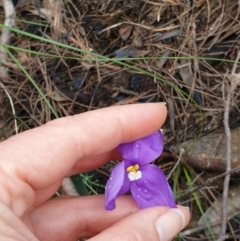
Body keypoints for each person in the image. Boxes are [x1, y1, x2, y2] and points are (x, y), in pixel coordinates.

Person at [0, 103, 190, 241]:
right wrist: (111, 199)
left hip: (142, 170)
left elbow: (155, 198)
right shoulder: (124, 169)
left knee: (160, 206)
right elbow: (111, 198)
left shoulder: (142, 164)